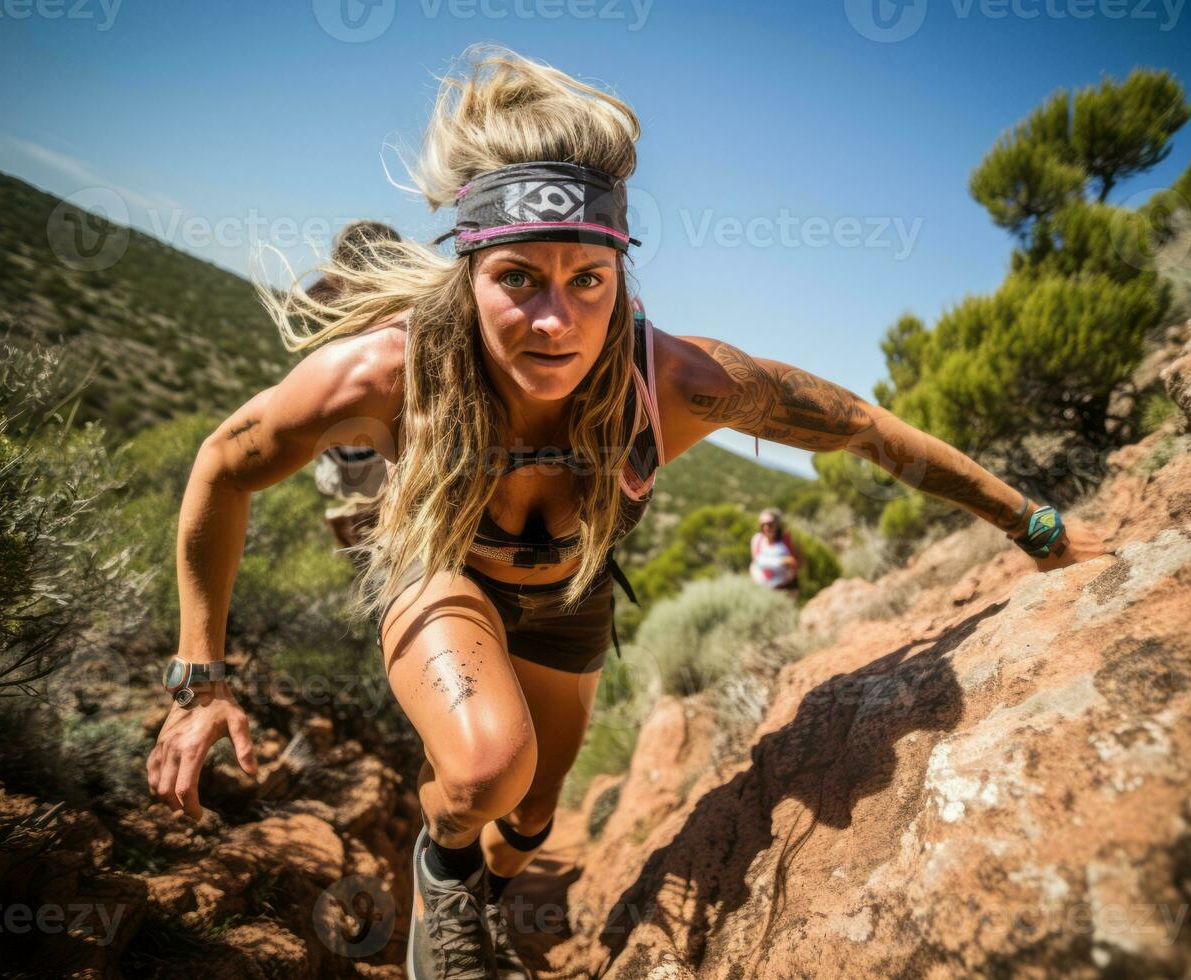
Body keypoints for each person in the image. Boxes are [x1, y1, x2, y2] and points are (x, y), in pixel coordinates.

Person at [146, 44, 1104, 980]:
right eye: (517, 277)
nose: (555, 319)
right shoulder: (386, 374)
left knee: (534, 812)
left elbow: (863, 428)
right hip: (440, 570)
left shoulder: (678, 381)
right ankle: (442, 868)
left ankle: (483, 885)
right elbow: (220, 469)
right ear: (469, 270)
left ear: (619, 274)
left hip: (571, 592)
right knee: (486, 773)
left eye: (586, 281)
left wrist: (1036, 528)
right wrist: (200, 680)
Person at [310, 221, 402, 561]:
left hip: (342, 449)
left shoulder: (336, 322)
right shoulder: (402, 320)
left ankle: (358, 534)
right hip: (371, 451)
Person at [750, 508, 802, 593]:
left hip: (785, 589)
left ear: (777, 524)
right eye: (762, 525)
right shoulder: (757, 540)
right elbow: (755, 562)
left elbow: (795, 563)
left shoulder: (787, 539)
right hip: (763, 590)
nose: (766, 527)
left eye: (770, 524)